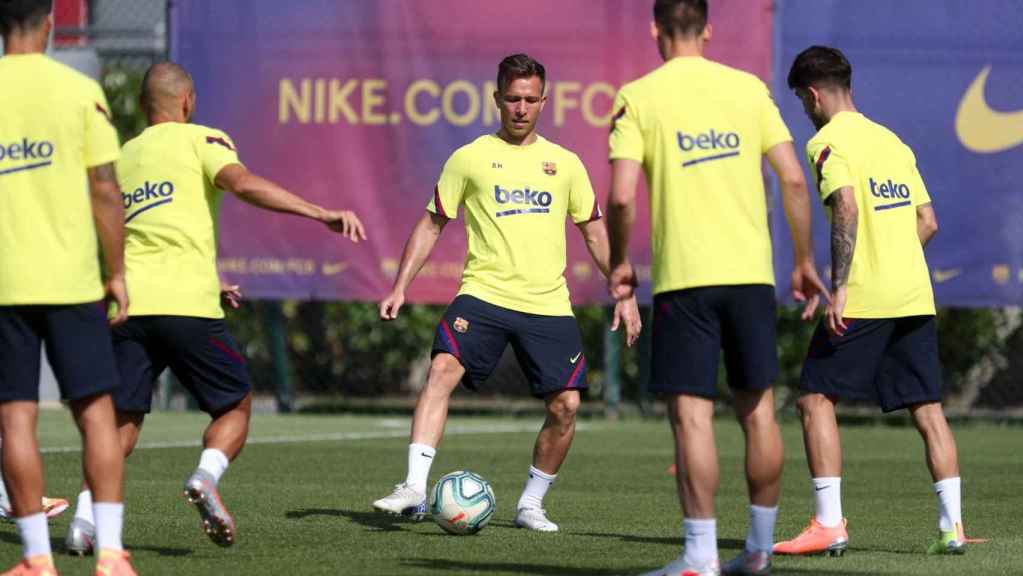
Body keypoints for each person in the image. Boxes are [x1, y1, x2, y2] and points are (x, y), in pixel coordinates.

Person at [64, 61, 367, 554]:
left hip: (129, 307)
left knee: (120, 423)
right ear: (188, 102)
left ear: (143, 107)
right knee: (235, 404)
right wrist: (319, 212)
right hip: (187, 306)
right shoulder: (203, 139)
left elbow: (137, 233)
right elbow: (242, 184)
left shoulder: (122, 156)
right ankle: (206, 477)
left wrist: (213, 277)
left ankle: (83, 520)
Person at [372, 53, 641, 533]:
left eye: (530, 99)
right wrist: (400, 285)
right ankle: (414, 487)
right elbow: (432, 224)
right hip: (484, 294)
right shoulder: (469, 157)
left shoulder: (566, 164)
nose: (521, 108)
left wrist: (622, 290)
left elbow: (595, 232)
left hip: (547, 303)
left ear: (544, 100)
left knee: (566, 406)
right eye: (512, 99)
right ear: (497, 98)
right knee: (442, 369)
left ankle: (531, 504)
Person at [606, 1, 826, 574]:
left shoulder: (639, 95)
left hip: (686, 280)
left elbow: (623, 196)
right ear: (707, 29)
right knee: (758, 413)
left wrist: (620, 262)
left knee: (694, 418)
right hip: (752, 277)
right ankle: (757, 552)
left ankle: (700, 558)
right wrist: (802, 260)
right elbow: (795, 179)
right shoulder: (750, 90)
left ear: (655, 29)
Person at [773, 45, 965, 558]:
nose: (805, 110)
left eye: (801, 100)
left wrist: (840, 286)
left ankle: (829, 524)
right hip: (913, 294)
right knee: (928, 410)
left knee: (815, 400)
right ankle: (953, 529)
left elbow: (848, 208)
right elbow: (928, 222)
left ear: (812, 95)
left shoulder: (826, 142)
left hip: (863, 297)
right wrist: (897, 260)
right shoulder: (892, 141)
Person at [0, 0, 136, 573]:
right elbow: (105, 190)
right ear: (51, 23)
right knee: (97, 413)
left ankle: (36, 559)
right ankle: (110, 553)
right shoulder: (79, 90)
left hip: (6, 283)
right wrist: (117, 271)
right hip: (73, 280)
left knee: (15, 419)